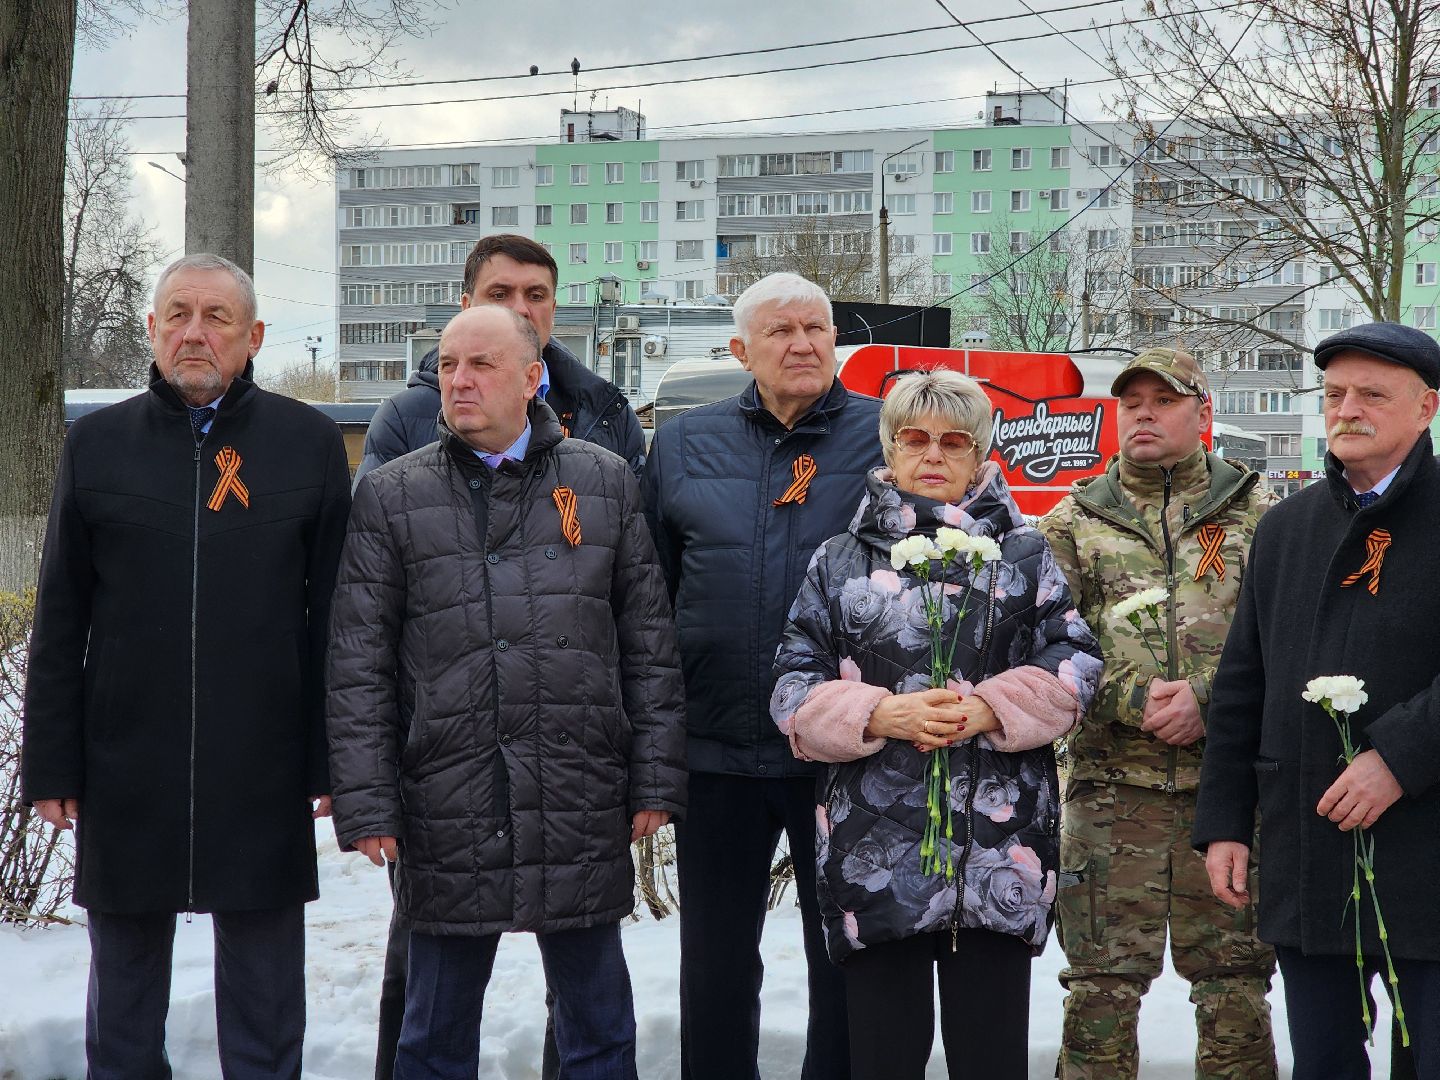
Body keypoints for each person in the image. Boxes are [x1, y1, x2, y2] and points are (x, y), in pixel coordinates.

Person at [326, 304, 686, 1080]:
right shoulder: (391, 495)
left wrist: (655, 776)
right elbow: (359, 661)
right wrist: (367, 799)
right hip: (449, 796)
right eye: (448, 364)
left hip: (579, 789)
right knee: (432, 1036)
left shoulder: (603, 480)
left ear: (532, 379)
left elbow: (648, 646)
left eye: (480, 365)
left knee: (598, 1029)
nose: (458, 380)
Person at [21, 253, 352, 1078]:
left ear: (255, 337)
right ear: (152, 328)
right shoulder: (96, 445)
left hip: (262, 765)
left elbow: (335, 621)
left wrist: (331, 758)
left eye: (217, 318)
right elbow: (61, 615)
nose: (194, 333)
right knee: (124, 1015)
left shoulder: (306, 443)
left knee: (267, 1010)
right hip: (128, 761)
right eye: (178, 314)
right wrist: (52, 762)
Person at [769, 369, 1103, 1079]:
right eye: (914, 439)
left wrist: (994, 706)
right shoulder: (840, 559)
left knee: (991, 1059)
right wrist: (879, 713)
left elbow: (1077, 662)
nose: (933, 455)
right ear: (890, 449)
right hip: (874, 853)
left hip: (996, 855)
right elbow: (792, 685)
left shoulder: (1025, 554)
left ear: (981, 455)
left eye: (954, 442)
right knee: (884, 1058)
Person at [640, 272, 882, 1080]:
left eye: (816, 328)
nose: (804, 344)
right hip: (716, 751)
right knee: (713, 962)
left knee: (842, 957)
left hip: (844, 753)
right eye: (780, 331)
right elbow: (651, 595)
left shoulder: (884, 438)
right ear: (741, 349)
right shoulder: (681, 443)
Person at [1195, 322, 1440, 1080]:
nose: (1347, 408)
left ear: (1427, 406)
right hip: (1310, 851)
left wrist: (1399, 758)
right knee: (1325, 1063)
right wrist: (1225, 823)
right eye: (1335, 393)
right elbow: (1243, 684)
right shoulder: (1284, 527)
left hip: (1429, 855)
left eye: (1372, 393)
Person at [1038, 347, 1278, 1079]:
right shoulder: (1072, 522)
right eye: (1131, 400)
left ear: (1202, 412)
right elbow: (1045, 649)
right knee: (1100, 994)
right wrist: (1131, 699)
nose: (1144, 412)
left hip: (1230, 796)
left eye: (1164, 400)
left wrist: (1208, 698)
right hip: (1113, 794)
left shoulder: (1264, 516)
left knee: (1235, 991)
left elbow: (1289, 641)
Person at [355, 232, 644, 483]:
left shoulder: (608, 414)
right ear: (467, 307)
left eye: (535, 295)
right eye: (499, 294)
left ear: (553, 310)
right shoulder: (403, 419)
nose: (520, 309)